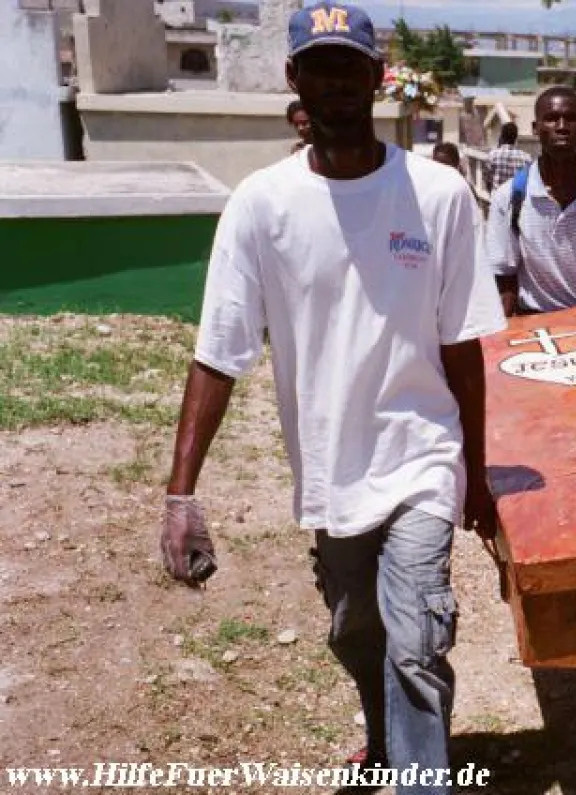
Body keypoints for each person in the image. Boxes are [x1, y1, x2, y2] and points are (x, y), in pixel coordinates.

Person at [157, 4, 506, 794]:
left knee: (416, 635)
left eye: (352, 65)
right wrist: (181, 493)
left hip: (423, 454)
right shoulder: (261, 205)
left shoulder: (440, 195)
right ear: (294, 79)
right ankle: (385, 738)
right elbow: (219, 354)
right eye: (320, 66)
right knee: (358, 631)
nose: (338, 82)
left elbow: (463, 347)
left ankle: (421, 780)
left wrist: (475, 474)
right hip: (331, 472)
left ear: (377, 77)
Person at [483, 86, 576, 324]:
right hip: (528, 321)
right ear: (535, 129)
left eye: (571, 119)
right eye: (551, 119)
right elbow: (504, 279)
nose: (562, 127)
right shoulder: (509, 197)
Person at [483, 121, 531, 192]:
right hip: (517, 201)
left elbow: (487, 180)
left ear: (502, 136)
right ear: (516, 138)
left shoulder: (492, 155)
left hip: (497, 198)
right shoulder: (526, 158)